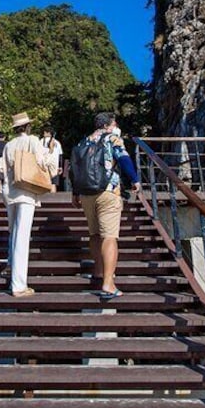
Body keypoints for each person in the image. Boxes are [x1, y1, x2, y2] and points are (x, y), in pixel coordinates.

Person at [71, 112, 141, 300]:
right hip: (108, 191)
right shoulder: (113, 138)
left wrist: (75, 192)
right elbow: (124, 158)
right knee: (109, 237)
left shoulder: (82, 142)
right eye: (115, 123)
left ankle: (99, 271)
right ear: (109, 125)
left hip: (86, 194)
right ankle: (108, 284)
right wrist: (135, 180)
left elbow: (75, 168)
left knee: (94, 235)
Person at [0, 112, 56, 297]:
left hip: (10, 192)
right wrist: (51, 151)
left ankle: (13, 271)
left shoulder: (8, 145)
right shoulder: (32, 140)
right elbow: (41, 161)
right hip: (26, 191)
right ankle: (18, 285)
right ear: (28, 126)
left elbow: (1, 167)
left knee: (14, 233)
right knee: (22, 236)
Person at [40, 125, 63, 191]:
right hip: (55, 164)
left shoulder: (41, 141)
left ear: (48, 133)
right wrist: (60, 166)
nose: (43, 134)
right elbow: (60, 155)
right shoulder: (57, 142)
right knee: (53, 183)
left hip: (45, 162)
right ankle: (54, 198)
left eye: (44, 132)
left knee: (46, 182)